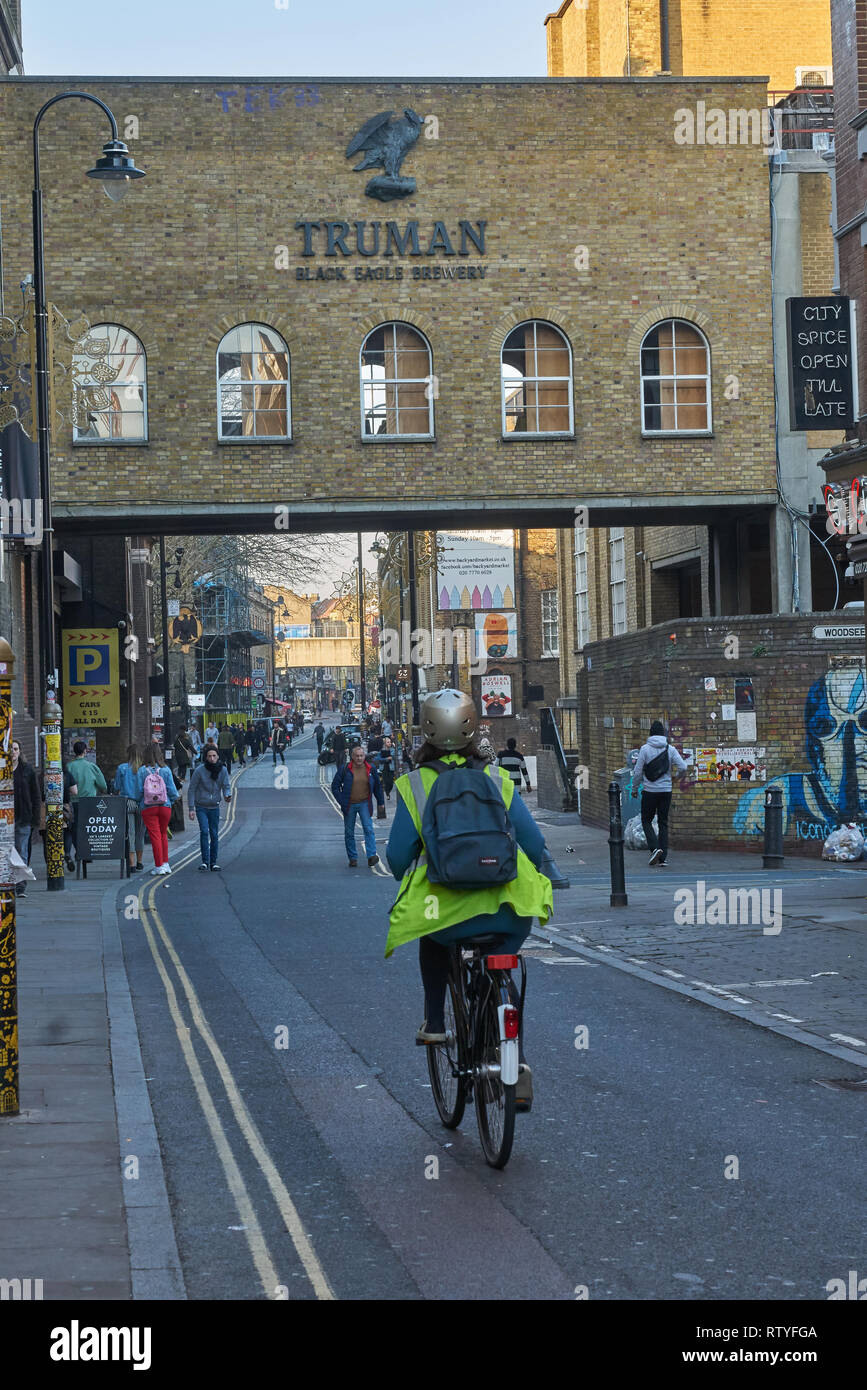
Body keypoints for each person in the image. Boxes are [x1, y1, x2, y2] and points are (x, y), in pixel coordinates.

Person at [385, 689, 553, 1110]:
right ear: (473, 727)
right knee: (501, 966)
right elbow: (533, 845)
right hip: (507, 912)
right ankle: (513, 1054)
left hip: (446, 913)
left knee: (431, 938)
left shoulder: (413, 785)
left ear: (425, 729)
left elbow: (396, 858)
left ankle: (437, 1022)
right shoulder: (497, 778)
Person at [631, 719, 690, 867]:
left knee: (646, 820)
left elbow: (637, 772)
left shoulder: (644, 749)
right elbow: (683, 766)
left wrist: (634, 789)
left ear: (650, 734)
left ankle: (655, 848)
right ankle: (663, 858)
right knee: (663, 822)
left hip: (650, 791)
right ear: (663, 734)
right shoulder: (670, 749)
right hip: (666, 791)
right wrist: (676, 778)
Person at [332, 742, 385, 867]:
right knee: (349, 833)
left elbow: (377, 786)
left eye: (361, 755)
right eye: (357, 756)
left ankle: (371, 855)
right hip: (349, 805)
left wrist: (381, 802)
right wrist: (342, 800)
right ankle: (353, 858)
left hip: (364, 804)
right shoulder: (345, 769)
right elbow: (335, 787)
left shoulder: (370, 769)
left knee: (368, 829)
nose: (360, 758)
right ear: (352, 756)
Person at [136, 741, 180, 875]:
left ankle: (158, 866)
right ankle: (166, 864)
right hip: (165, 806)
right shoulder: (166, 770)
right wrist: (169, 802)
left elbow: (138, 791)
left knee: (154, 836)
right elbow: (173, 791)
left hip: (149, 807)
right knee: (163, 835)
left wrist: (140, 803)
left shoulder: (142, 770)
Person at [187, 743, 232, 870]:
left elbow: (226, 786)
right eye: (209, 756)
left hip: (214, 807)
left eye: (214, 756)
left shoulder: (222, 770)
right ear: (206, 757)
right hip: (201, 806)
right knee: (204, 831)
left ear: (218, 756)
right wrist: (191, 808)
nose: (212, 758)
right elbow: (191, 789)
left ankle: (213, 862)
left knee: (214, 834)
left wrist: (227, 795)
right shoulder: (199, 771)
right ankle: (205, 861)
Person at [12, 740, 40, 896]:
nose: (13, 752)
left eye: (15, 749)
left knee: (22, 850)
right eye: (10, 749)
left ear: (20, 751)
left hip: (23, 817)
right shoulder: (3, 769)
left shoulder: (27, 770)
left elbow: (35, 795)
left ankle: (20, 885)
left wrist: (35, 818)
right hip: (5, 818)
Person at [113, 743, 145, 873]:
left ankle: (131, 863)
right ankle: (139, 862)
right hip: (142, 803)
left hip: (127, 803)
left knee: (130, 833)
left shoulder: (122, 768)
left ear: (129, 754)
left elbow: (116, 787)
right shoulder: (144, 769)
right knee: (140, 834)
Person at [376, 735, 397, 800]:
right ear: (385, 743)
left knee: (391, 782)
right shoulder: (381, 751)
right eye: (388, 742)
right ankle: (387, 793)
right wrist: (386, 759)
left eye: (390, 742)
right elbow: (378, 758)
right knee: (385, 781)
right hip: (384, 767)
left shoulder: (393, 750)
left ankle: (388, 791)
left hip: (391, 767)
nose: (389, 743)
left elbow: (394, 756)